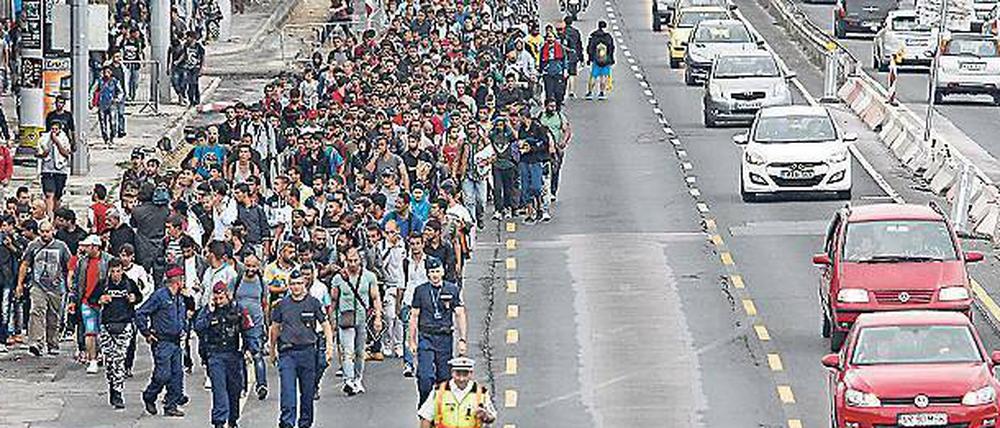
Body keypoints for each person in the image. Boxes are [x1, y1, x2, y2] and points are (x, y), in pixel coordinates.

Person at [269, 269, 334, 428]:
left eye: (299, 283)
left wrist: (330, 347)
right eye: (293, 284)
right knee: (288, 395)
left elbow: (325, 325)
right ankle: (287, 424)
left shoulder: (313, 303)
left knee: (307, 395)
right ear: (289, 286)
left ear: (304, 284)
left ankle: (305, 424)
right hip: (288, 353)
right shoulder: (282, 305)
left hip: (308, 352)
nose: (296, 287)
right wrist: (272, 350)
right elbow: (275, 328)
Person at [408, 257, 468, 406]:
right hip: (426, 337)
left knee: (444, 378)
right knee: (425, 377)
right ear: (427, 274)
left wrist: (462, 339)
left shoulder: (452, 289)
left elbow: (460, 314)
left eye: (437, 271)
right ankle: (424, 407)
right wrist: (412, 340)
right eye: (431, 272)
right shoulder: (420, 291)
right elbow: (414, 316)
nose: (435, 275)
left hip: (444, 338)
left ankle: (442, 410)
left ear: (442, 271)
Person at [195, 281, 253, 428]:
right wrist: (209, 312)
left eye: (222, 298)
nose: (219, 302)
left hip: (234, 355)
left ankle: (233, 419)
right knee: (219, 391)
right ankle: (219, 422)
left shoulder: (238, 309)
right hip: (215, 355)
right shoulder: (208, 311)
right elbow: (198, 328)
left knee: (234, 390)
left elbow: (248, 330)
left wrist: (249, 349)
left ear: (228, 295)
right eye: (216, 298)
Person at [89, 258, 142, 409]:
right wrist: (101, 299)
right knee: (110, 361)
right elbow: (92, 299)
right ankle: (112, 386)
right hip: (107, 326)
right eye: (113, 271)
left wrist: (134, 298)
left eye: (118, 271)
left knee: (119, 359)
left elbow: (139, 296)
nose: (116, 274)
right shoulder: (103, 284)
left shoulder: (129, 283)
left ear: (122, 270)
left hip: (124, 324)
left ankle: (118, 393)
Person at [135, 266, 188, 417]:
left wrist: (184, 327)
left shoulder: (179, 297)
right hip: (162, 341)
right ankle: (150, 396)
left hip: (176, 341)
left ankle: (171, 404)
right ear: (177, 281)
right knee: (163, 374)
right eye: (182, 279)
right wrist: (146, 332)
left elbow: (182, 316)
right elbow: (140, 313)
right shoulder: (159, 296)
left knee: (177, 374)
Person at [14, 220, 72, 356]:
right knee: (36, 311)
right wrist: (20, 284)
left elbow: (69, 264)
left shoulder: (61, 246)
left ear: (52, 231)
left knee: (53, 316)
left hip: (56, 286)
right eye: (43, 231)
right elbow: (25, 264)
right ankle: (36, 342)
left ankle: (52, 343)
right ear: (39, 232)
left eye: (47, 231)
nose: (45, 234)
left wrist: (69, 279)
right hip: (38, 284)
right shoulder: (33, 246)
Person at [330, 247, 382, 395]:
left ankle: (358, 378)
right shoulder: (338, 278)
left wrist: (378, 317)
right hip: (345, 318)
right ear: (345, 261)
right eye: (349, 261)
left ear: (360, 261)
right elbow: (333, 301)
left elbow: (375, 298)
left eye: (355, 261)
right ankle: (348, 380)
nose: (352, 264)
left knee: (359, 351)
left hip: (362, 318)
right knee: (347, 351)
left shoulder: (369, 277)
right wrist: (332, 320)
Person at [67, 234, 113, 374]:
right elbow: (76, 283)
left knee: (105, 333)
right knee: (90, 332)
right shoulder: (82, 262)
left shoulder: (108, 261)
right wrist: (73, 301)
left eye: (87, 246)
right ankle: (92, 359)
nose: (84, 248)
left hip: (104, 303)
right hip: (87, 302)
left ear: (95, 247)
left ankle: (105, 356)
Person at [417, 357, 497, 427]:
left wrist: (485, 416)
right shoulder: (439, 391)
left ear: (471, 373)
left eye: (465, 374)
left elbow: (492, 417)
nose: (461, 379)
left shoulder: (481, 393)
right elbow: (426, 417)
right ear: (452, 373)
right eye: (458, 374)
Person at [233, 253, 269, 400]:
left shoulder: (262, 282)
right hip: (239, 323)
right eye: (248, 265)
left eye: (254, 266)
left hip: (256, 324)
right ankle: (242, 386)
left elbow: (265, 304)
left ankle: (261, 385)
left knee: (257, 354)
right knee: (239, 355)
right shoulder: (236, 280)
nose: (251, 269)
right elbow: (230, 298)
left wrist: (266, 324)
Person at [36, 121, 72, 215]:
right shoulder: (44, 139)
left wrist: (57, 142)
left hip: (60, 170)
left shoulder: (64, 139)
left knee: (57, 195)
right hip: (47, 170)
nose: (54, 131)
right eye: (52, 129)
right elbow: (38, 153)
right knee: (49, 194)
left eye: (56, 129)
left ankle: (56, 213)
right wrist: (44, 152)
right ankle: (49, 215)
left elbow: (66, 153)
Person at [585, 20, 615, 100]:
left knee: (593, 76)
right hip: (606, 60)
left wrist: (589, 58)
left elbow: (590, 48)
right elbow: (611, 48)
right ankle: (601, 93)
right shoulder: (608, 36)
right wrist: (611, 59)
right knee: (603, 77)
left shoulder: (594, 35)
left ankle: (590, 93)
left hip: (596, 59)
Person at [561, 16, 584, 99]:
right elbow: (579, 45)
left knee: (563, 73)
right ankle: (571, 91)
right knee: (572, 74)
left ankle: (563, 90)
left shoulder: (562, 32)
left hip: (563, 55)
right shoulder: (576, 32)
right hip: (573, 55)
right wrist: (581, 57)